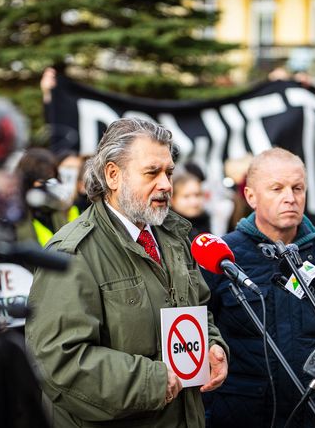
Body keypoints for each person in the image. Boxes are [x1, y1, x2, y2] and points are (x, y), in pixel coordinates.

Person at [26, 118, 229, 427]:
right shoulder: (72, 252)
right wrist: (152, 381)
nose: (165, 184)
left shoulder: (174, 236)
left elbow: (199, 311)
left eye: (169, 172)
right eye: (152, 173)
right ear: (112, 175)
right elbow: (59, 360)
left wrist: (212, 347)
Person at [203, 147, 315, 427]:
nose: (290, 198)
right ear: (251, 196)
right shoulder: (221, 258)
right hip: (240, 413)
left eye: (298, 188)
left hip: (311, 411)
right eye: (277, 189)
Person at [171, 171, 211, 241]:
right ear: (172, 199)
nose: (194, 202)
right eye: (186, 196)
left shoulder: (204, 221)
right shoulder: (168, 229)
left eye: (197, 195)